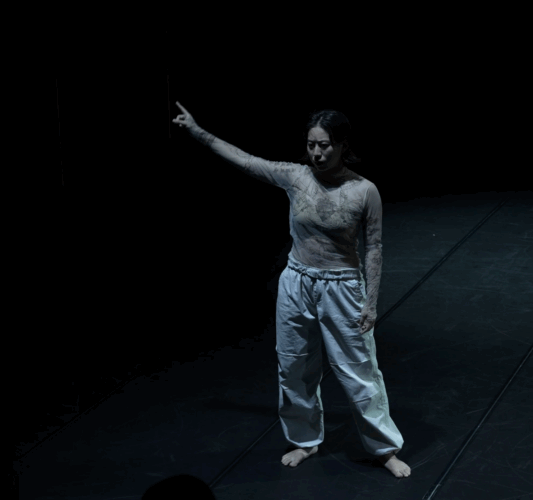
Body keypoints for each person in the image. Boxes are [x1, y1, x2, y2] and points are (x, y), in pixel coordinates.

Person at [172, 102, 411, 478]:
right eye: (311, 145)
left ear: (342, 144)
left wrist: (371, 303)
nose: (317, 153)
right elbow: (245, 160)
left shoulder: (365, 191)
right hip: (297, 281)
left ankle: (384, 449)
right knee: (294, 367)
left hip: (343, 288)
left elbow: (374, 248)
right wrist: (197, 131)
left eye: (324, 145)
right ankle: (305, 440)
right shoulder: (295, 176)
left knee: (360, 371)